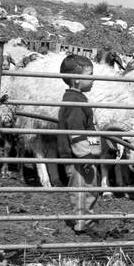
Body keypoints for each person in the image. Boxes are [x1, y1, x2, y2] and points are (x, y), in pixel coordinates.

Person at [54, 54, 107, 238]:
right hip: (79, 157)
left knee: (90, 188)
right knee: (82, 189)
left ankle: (86, 219)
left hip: (85, 155)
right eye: (90, 75)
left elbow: (88, 129)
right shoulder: (75, 102)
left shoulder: (78, 99)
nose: (93, 79)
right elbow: (76, 131)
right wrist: (86, 156)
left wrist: (96, 149)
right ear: (77, 80)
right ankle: (82, 223)